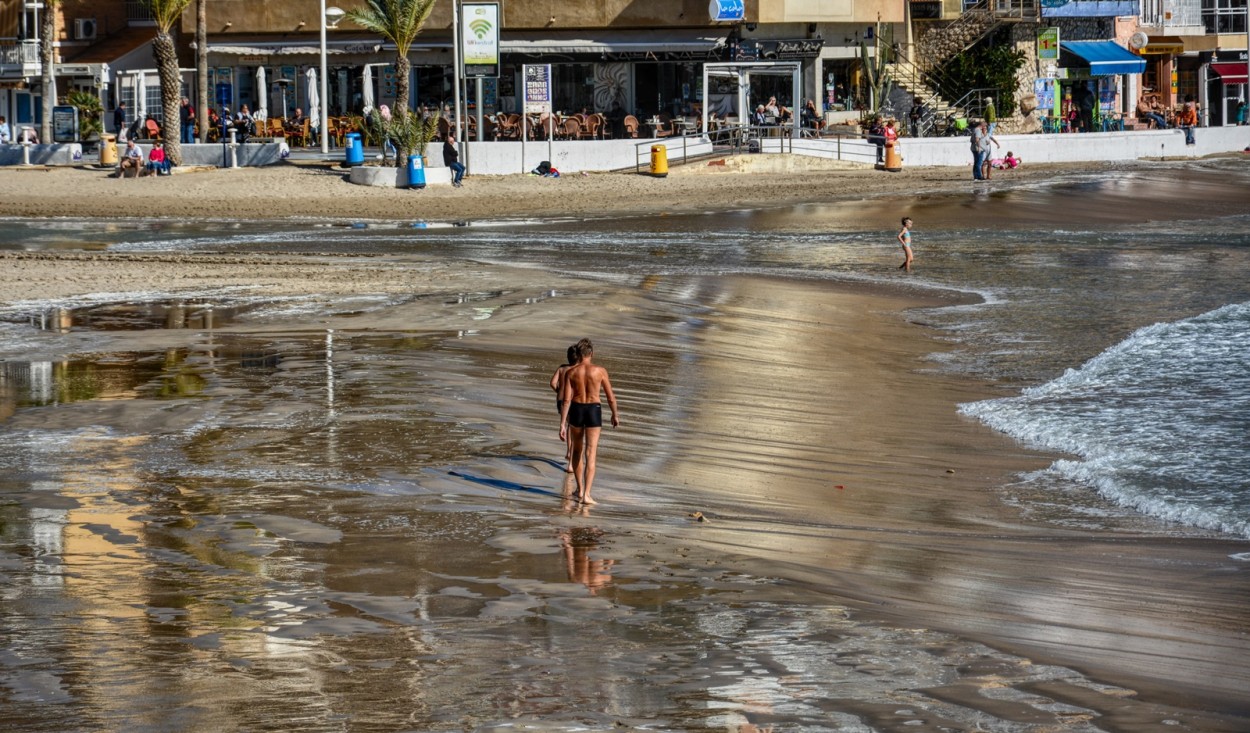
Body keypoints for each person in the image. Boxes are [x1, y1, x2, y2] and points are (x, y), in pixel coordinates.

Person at [558, 338, 619, 506]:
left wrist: (563, 423)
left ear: (578, 354)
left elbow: (566, 401)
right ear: (591, 353)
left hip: (576, 410)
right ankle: (587, 495)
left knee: (577, 452)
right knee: (590, 453)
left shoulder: (571, 372)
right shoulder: (600, 371)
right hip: (593, 410)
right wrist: (615, 414)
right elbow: (610, 397)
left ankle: (579, 489)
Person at [550, 344, 579, 470]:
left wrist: (558, 391)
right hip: (572, 401)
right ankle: (571, 463)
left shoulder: (562, 368)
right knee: (572, 429)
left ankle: (568, 451)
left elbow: (552, 383)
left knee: (568, 424)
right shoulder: (577, 370)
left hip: (560, 401)